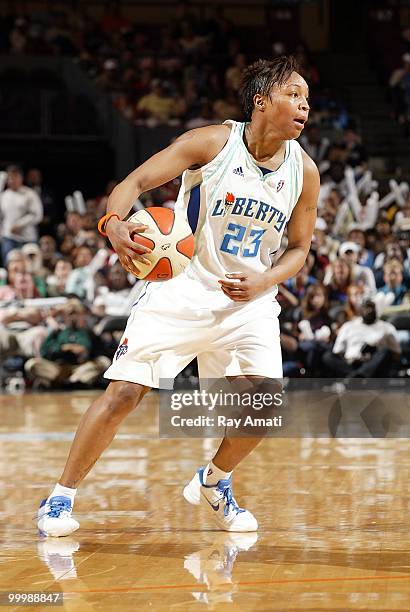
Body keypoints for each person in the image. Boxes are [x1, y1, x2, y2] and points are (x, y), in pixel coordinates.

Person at [38, 56, 319, 537]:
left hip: (248, 301)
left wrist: (265, 281)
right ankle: (60, 498)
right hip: (182, 288)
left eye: (307, 99)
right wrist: (113, 224)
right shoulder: (211, 142)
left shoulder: (304, 171)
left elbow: (299, 249)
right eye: (293, 94)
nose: (304, 106)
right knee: (125, 392)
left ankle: (214, 482)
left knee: (264, 409)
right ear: (261, 101)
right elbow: (134, 184)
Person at [322, 299, 401, 378]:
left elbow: (396, 353)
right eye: (366, 308)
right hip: (350, 363)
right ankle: (356, 377)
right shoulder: (348, 326)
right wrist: (349, 359)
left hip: (372, 364)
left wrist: (376, 350)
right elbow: (338, 351)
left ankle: (356, 377)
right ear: (360, 309)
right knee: (328, 356)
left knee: (385, 351)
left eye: (371, 308)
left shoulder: (387, 328)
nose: (369, 311)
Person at [0, 165, 43, 265]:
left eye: (15, 177)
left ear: (21, 178)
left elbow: (37, 215)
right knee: (10, 265)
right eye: (10, 178)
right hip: (9, 238)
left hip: (28, 238)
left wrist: (20, 224)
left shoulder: (29, 194)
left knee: (30, 266)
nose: (12, 181)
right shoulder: (4, 195)